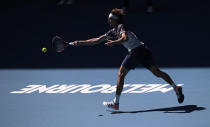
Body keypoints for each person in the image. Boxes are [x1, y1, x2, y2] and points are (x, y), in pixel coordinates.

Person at [72, 8, 184, 110]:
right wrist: (79, 43)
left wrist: (114, 42)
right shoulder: (112, 31)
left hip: (136, 51)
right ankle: (176, 88)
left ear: (115, 20)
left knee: (121, 73)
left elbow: (124, 38)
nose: (108, 21)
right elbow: (97, 40)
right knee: (156, 72)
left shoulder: (121, 27)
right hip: (143, 49)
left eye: (110, 19)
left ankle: (115, 103)